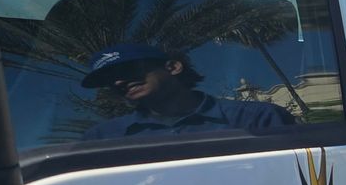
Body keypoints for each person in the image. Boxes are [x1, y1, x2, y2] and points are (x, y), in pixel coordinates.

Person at [80, 42, 295, 139]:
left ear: (173, 67)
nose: (118, 81)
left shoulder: (258, 120)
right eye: (108, 80)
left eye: (128, 70)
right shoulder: (102, 138)